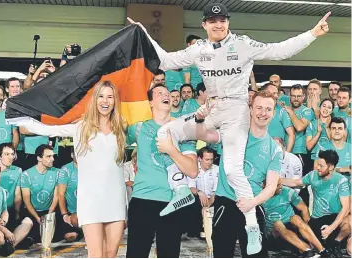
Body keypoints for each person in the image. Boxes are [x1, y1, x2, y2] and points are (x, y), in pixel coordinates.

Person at [128, 4, 330, 254]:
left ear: (228, 22)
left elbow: (279, 51)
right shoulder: (199, 49)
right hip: (212, 109)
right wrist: (142, 31)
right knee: (165, 133)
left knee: (233, 170)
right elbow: (166, 60)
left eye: (222, 20)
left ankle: (252, 225)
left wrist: (312, 34)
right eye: (212, 20)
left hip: (236, 111)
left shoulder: (242, 44)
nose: (218, 24)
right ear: (204, 25)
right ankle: (180, 189)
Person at [12, 81, 127, 258]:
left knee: (111, 255)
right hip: (91, 202)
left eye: (110, 97)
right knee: (96, 255)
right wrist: (17, 114)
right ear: (95, 100)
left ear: (115, 101)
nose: (105, 101)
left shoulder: (121, 128)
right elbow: (47, 128)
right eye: (101, 96)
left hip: (116, 201)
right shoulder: (81, 127)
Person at [195, 91, 282, 257]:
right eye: (259, 108)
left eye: (268, 109)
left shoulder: (274, 149)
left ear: (274, 112)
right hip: (226, 204)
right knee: (222, 254)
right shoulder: (233, 131)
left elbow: (271, 187)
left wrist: (252, 202)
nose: (263, 113)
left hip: (251, 205)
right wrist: (200, 119)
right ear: (250, 109)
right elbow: (202, 134)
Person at [125, 84, 197, 258]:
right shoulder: (138, 128)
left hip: (172, 202)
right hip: (142, 199)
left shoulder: (183, 130)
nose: (166, 95)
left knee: (169, 254)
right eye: (159, 93)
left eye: (167, 93)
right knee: (136, 254)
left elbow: (193, 171)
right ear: (150, 102)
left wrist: (171, 149)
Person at [282, 150, 350, 257]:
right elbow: (296, 182)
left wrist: (331, 228)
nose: (317, 167)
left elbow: (345, 208)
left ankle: (335, 243)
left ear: (331, 167)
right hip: (318, 218)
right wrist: (276, 180)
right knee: (308, 246)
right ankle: (324, 245)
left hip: (336, 218)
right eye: (318, 164)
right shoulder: (313, 175)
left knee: (349, 220)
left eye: (321, 166)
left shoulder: (341, 181)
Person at [263, 178, 330, 257]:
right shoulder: (258, 195)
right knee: (278, 223)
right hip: (274, 233)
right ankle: (306, 249)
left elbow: (304, 209)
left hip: (291, 227)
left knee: (296, 218)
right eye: (277, 185)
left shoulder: (287, 191)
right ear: (265, 186)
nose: (281, 186)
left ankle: (322, 250)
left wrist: (306, 230)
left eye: (280, 183)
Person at [0, 161, 33, 257]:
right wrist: (4, 230)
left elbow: (4, 210)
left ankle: (7, 246)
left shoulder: (1, 190)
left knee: (28, 222)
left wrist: (3, 221)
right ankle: (10, 245)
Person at [282, 84, 315, 175]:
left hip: (301, 153)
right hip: (285, 151)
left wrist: (291, 112)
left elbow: (300, 127)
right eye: (293, 96)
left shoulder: (308, 111)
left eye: (299, 96)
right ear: (289, 96)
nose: (296, 98)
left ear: (303, 97)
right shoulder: (283, 110)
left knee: (301, 184)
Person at [186, 146, 218, 238]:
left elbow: (216, 191)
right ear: (199, 158)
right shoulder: (194, 168)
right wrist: (200, 192)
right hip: (198, 198)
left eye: (212, 159)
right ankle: (194, 229)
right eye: (207, 159)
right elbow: (191, 187)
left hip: (212, 199)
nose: (210, 162)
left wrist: (208, 204)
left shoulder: (217, 169)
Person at [0, 143, 23, 232]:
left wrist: (17, 213)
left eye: (12, 154)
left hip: (9, 210)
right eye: (7, 154)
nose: (10, 157)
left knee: (27, 222)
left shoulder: (17, 170)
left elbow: (17, 193)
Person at [57, 149, 82, 241]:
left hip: (90, 210)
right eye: (77, 153)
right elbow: (60, 194)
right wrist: (65, 215)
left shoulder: (91, 167)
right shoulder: (66, 170)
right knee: (70, 236)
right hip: (73, 212)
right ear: (72, 155)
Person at [263, 82, 295, 152]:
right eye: (273, 93)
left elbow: (291, 135)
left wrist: (287, 155)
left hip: (277, 151)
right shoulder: (258, 111)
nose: (276, 96)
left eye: (276, 93)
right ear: (265, 94)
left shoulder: (281, 111)